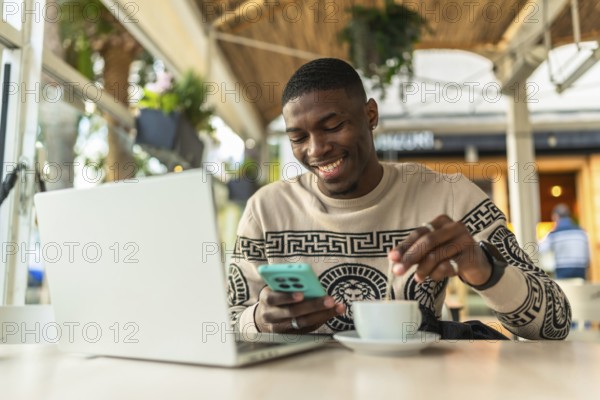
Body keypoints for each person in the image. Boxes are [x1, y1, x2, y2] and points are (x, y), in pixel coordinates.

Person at [227, 58, 571, 340]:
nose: (316, 149)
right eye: (299, 137)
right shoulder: (266, 211)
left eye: (332, 126)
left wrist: (482, 269)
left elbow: (555, 321)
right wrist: (258, 320)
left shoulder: (448, 196)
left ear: (371, 115)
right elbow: (225, 325)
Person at [539, 204, 590, 280]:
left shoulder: (554, 234)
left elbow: (540, 249)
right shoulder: (582, 233)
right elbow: (588, 258)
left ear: (555, 217)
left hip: (562, 271)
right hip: (581, 270)